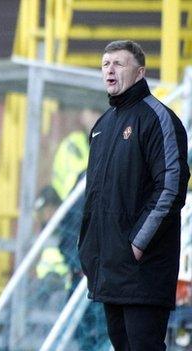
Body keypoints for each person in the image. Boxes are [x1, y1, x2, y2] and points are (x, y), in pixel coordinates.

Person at [78, 40, 190, 350]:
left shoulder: (158, 118)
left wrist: (137, 244)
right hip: (110, 268)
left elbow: (170, 187)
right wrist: (89, 249)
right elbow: (95, 197)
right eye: (105, 64)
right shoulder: (102, 126)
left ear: (140, 72)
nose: (110, 69)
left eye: (119, 63)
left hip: (142, 270)